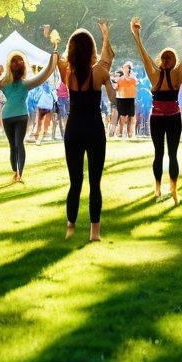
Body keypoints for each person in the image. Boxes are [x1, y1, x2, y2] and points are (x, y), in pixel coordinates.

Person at [131, 17, 182, 205]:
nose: (167, 60)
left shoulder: (163, 74)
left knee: (165, 154)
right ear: (169, 60)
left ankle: (166, 189)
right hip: (166, 118)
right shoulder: (168, 73)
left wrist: (137, 35)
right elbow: (145, 54)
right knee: (165, 154)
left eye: (168, 57)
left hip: (164, 118)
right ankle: (165, 189)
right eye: (168, 57)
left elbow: (145, 54)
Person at [55, 22, 115, 241]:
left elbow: (59, 57)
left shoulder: (66, 71)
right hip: (94, 128)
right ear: (91, 50)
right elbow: (107, 61)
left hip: (73, 129)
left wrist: (56, 44)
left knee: (75, 181)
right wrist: (106, 37)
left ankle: (70, 225)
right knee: (95, 182)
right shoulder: (99, 72)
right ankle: (94, 233)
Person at [0, 40, 59, 183]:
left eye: (19, 61)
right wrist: (53, 57)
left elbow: (44, 74)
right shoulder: (12, 83)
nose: (17, 63)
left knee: (16, 145)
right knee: (15, 145)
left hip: (15, 116)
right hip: (12, 116)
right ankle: (17, 172)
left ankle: (18, 173)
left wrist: (53, 57)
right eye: (16, 61)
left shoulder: (16, 84)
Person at [113, 62, 138, 138]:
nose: (124, 69)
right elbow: (116, 88)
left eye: (126, 67)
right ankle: (120, 133)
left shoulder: (133, 79)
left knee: (131, 117)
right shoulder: (120, 79)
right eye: (123, 67)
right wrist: (115, 86)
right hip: (122, 99)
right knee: (122, 117)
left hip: (131, 99)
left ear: (129, 69)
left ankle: (129, 134)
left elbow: (135, 88)